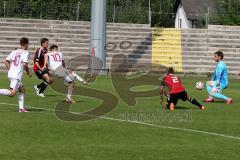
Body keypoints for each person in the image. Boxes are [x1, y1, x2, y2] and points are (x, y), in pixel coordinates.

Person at [0, 37, 32, 112]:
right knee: (12, 93)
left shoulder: (14, 51)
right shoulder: (25, 53)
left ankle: (21, 109)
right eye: (28, 44)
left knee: (22, 89)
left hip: (11, 73)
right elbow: (25, 65)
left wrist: (11, 70)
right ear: (26, 44)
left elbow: (6, 61)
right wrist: (28, 73)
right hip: (16, 75)